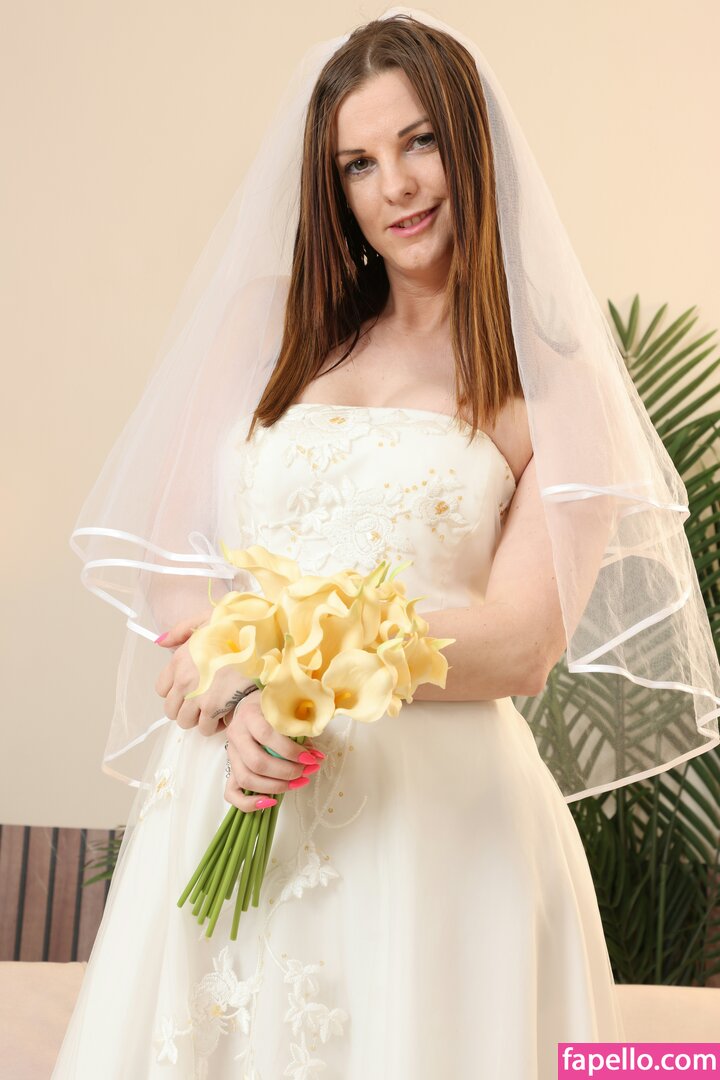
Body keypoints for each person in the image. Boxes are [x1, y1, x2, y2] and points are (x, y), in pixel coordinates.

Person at [54, 9, 720, 1079]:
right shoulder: (264, 326)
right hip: (236, 778)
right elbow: (173, 563)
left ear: (475, 147)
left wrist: (295, 669)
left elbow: (524, 643)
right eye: (358, 164)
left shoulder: (557, 383)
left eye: (420, 143)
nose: (396, 186)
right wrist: (236, 694)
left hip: (442, 828)